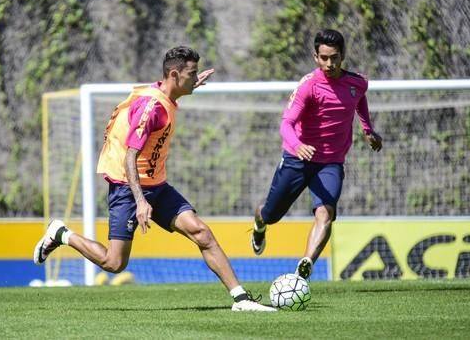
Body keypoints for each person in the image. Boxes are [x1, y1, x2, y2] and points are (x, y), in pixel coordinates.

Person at [34, 46, 275, 311]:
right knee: (115, 263)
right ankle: (62, 234)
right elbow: (129, 156)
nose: (196, 78)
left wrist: (190, 85)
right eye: (192, 74)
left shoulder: (165, 94)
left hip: (156, 185)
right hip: (128, 187)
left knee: (201, 232)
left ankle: (240, 299)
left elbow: (168, 93)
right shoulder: (153, 108)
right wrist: (140, 201)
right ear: (174, 74)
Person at [251, 29, 383, 280]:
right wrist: (298, 145)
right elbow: (285, 124)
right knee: (271, 214)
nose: (329, 64)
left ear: (342, 56)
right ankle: (259, 223)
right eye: (324, 58)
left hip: (330, 163)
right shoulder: (308, 86)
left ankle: (304, 268)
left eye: (334, 57)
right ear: (315, 57)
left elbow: (359, 100)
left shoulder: (357, 83)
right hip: (297, 159)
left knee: (326, 214)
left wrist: (368, 129)